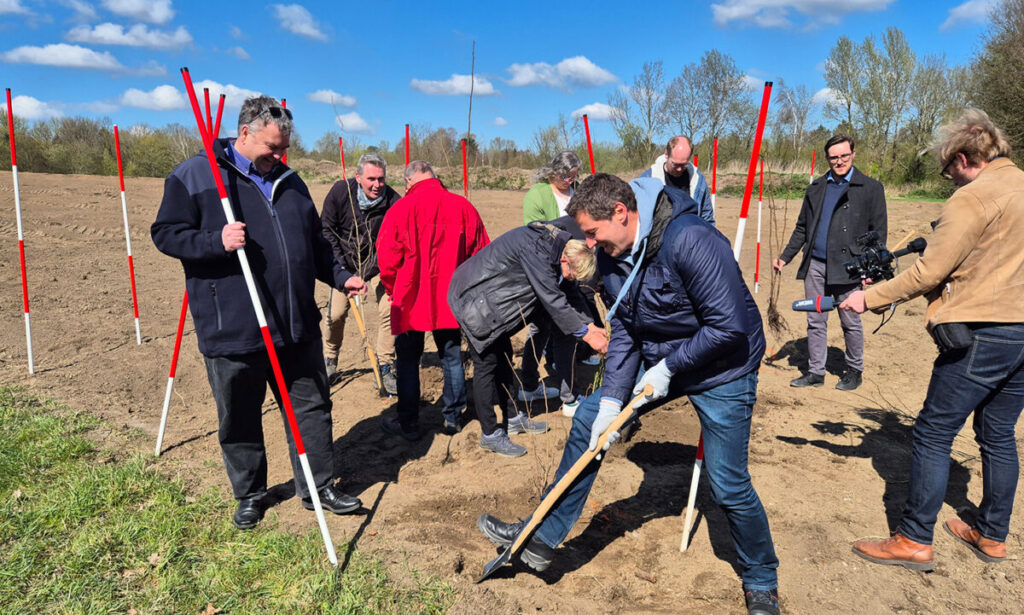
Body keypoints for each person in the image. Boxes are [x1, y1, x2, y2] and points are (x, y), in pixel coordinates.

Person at [477, 174, 781, 615]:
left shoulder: (692, 241)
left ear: (621, 212)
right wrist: (613, 400)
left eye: (592, 232)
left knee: (728, 482)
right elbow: (626, 329)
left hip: (724, 365)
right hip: (659, 355)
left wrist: (671, 367)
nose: (589, 242)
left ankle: (761, 579)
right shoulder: (615, 252)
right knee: (587, 423)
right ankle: (540, 538)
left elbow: (728, 325)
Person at [151, 96, 366, 530]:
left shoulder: (291, 181)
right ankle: (250, 494)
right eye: (271, 147)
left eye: (283, 148)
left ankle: (318, 485)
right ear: (244, 133)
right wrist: (217, 241)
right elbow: (166, 233)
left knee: (310, 406)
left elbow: (316, 246)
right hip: (233, 324)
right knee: (240, 414)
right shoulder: (196, 175)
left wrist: (341, 276)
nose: (278, 155)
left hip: (295, 322)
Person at [841, 109, 1024, 571]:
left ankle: (913, 539)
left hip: (984, 332)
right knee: (999, 433)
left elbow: (929, 271)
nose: (950, 183)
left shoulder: (973, 198)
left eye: (948, 173)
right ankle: (991, 533)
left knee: (934, 431)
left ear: (962, 158)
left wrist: (871, 299)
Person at [448, 222, 609, 456]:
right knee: (486, 366)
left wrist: (592, 325)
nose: (573, 278)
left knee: (504, 359)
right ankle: (490, 434)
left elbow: (571, 292)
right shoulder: (538, 252)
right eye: (573, 273)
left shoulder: (557, 249)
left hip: (492, 306)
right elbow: (553, 300)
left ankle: (513, 418)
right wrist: (586, 335)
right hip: (474, 303)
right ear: (566, 260)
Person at [375, 160, 489, 440]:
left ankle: (409, 422)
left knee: (408, 359)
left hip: (410, 297)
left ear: (410, 181)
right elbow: (482, 253)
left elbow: (386, 260)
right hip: (450, 297)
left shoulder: (400, 209)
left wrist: (392, 289)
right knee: (451, 357)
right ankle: (452, 418)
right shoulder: (463, 206)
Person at [773, 134, 887, 391]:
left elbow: (878, 234)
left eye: (844, 156)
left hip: (849, 266)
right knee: (815, 319)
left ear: (853, 154)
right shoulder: (815, 188)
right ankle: (816, 371)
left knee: (850, 321)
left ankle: (854, 370)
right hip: (816, 264)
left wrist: (871, 269)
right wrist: (785, 257)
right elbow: (802, 228)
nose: (839, 161)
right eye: (834, 157)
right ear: (827, 158)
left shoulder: (870, 188)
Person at [519, 151, 597, 407]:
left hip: (571, 267)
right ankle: (537, 386)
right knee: (541, 327)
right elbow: (534, 233)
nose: (569, 181)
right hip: (547, 270)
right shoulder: (538, 194)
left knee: (561, 330)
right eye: (565, 176)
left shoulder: (576, 192)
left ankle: (563, 392)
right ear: (553, 172)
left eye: (573, 177)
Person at [320, 152, 401, 393]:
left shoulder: (393, 202)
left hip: (378, 264)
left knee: (389, 309)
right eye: (371, 179)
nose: (377, 185)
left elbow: (391, 243)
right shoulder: (340, 192)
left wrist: (366, 273)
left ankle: (386, 365)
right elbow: (326, 231)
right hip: (344, 263)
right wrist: (343, 272)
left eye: (381, 179)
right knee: (336, 314)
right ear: (358, 177)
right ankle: (330, 359)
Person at [639, 135, 715, 226]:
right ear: (666, 154)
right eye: (675, 164)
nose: (679, 169)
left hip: (690, 237)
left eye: (684, 165)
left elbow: (707, 217)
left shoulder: (698, 181)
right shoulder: (648, 180)